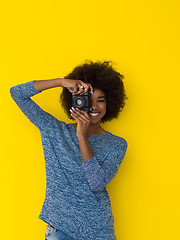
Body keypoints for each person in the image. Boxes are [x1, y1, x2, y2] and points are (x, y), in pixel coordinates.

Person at [10, 60, 128, 240]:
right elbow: (17, 93)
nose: (94, 107)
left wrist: (82, 135)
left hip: (98, 231)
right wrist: (61, 82)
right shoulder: (53, 130)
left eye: (101, 100)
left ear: (110, 102)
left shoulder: (117, 144)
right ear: (76, 101)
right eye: (89, 99)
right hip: (61, 230)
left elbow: (96, 183)